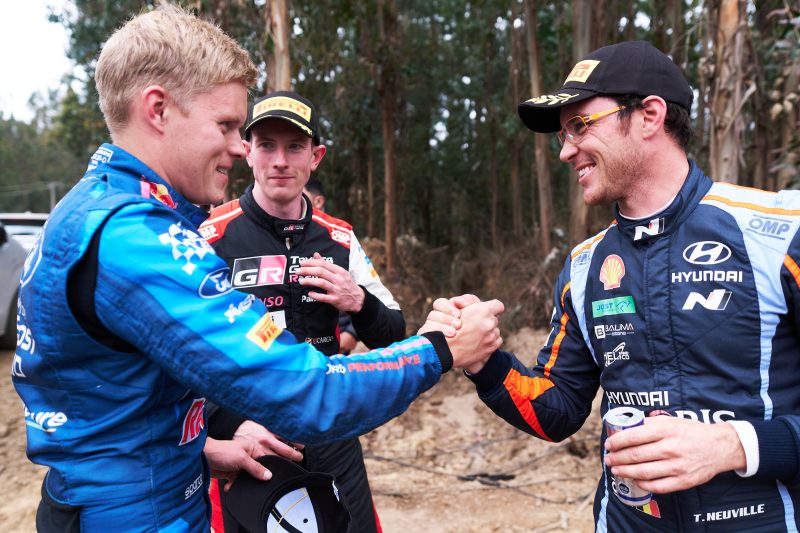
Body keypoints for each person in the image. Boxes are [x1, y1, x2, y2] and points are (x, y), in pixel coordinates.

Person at [11, 5, 504, 531]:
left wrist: (203, 450)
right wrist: (441, 348)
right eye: (227, 126)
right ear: (158, 110)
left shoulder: (95, 210)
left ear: (315, 156)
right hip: (146, 509)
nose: (238, 147)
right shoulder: (140, 239)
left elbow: (120, 404)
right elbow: (309, 392)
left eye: (291, 146)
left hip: (187, 477)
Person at [425, 40, 800, 531]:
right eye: (562, 135)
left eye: (580, 126)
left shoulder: (779, 234)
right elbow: (557, 410)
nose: (566, 151)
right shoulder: (584, 267)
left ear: (649, 116)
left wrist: (737, 446)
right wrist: (483, 360)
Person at [199, 91, 404, 532]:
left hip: (332, 434)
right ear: (247, 152)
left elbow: (394, 335)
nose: (280, 161)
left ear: (315, 157)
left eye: (294, 147)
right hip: (250, 441)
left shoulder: (340, 239)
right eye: (267, 146)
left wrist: (359, 302)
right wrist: (228, 425)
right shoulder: (210, 238)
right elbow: (183, 356)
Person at [303, 177, 361, 354]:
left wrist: (351, 333)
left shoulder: (340, 236)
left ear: (318, 201)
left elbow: (364, 291)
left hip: (337, 344)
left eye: (301, 194)